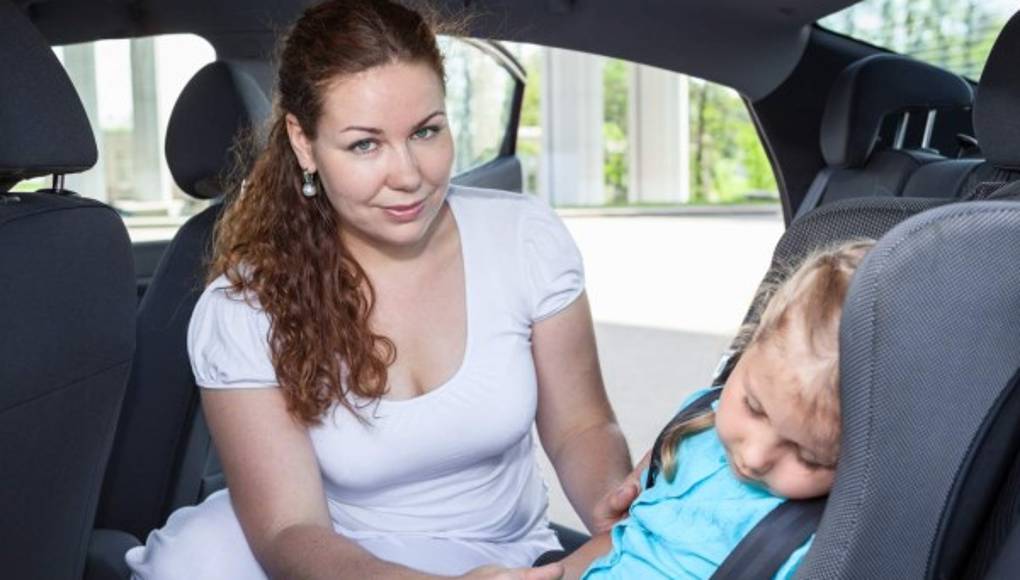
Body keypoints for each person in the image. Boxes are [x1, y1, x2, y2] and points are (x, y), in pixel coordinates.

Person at [124, 1, 632, 578]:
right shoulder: (246, 306)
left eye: (426, 131)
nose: (409, 174)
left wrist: (620, 516)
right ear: (304, 142)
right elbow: (291, 529)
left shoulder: (526, 240)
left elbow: (580, 428)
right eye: (365, 144)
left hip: (504, 557)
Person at [554, 239, 875, 579]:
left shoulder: (814, 546)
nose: (753, 457)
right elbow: (626, 543)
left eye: (807, 456)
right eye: (754, 407)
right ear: (748, 347)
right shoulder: (695, 428)